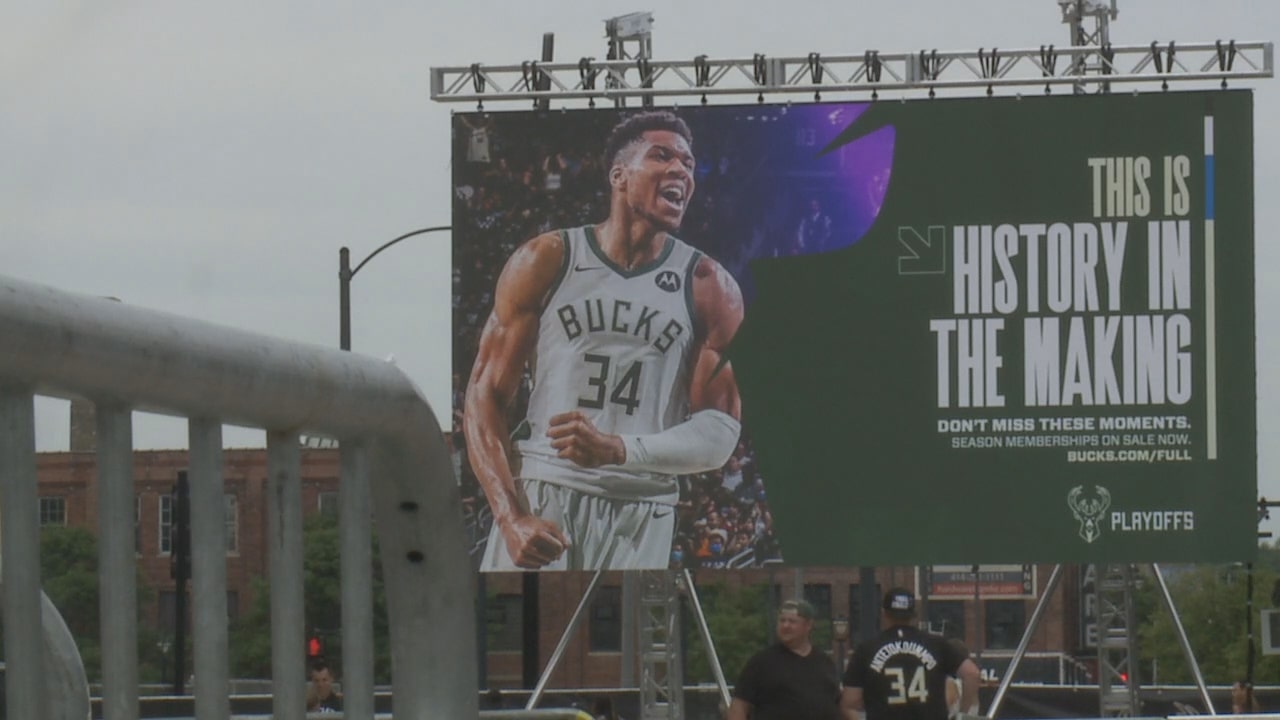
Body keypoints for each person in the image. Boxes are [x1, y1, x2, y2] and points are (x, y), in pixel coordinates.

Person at [465, 110, 745, 571]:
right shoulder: (547, 258)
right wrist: (510, 516)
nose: (681, 171)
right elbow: (485, 395)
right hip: (545, 493)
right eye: (662, 157)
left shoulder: (709, 284)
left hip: (644, 505)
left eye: (689, 164)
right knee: (514, 639)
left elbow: (720, 433)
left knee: (625, 641)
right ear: (620, 175)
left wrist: (619, 449)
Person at [840, 588, 980, 720]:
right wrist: (962, 713)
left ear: (884, 613)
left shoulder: (866, 649)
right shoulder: (937, 644)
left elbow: (849, 703)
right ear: (914, 615)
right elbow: (971, 674)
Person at [727, 599, 843, 720]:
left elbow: (837, 704)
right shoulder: (762, 662)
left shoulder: (825, 662)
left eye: (792, 621)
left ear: (808, 625)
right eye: (782, 620)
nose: (785, 625)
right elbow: (739, 706)